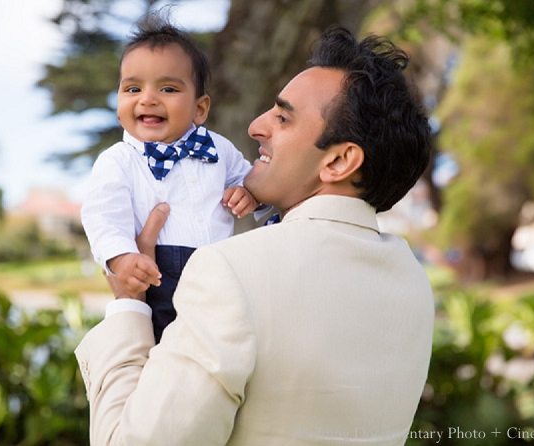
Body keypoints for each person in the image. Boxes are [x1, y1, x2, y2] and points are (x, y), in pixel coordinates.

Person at [75, 25, 435, 445]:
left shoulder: (228, 271)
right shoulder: (413, 283)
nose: (256, 126)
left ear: (338, 161)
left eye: (282, 117)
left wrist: (129, 305)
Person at [80, 11, 258, 342]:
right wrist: (121, 258)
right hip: (158, 275)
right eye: (133, 88)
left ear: (200, 109)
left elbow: (247, 177)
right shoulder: (117, 161)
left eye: (167, 88)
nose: (148, 98)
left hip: (222, 273)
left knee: (226, 343)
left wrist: (248, 191)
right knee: (163, 349)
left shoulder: (218, 148)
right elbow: (103, 217)